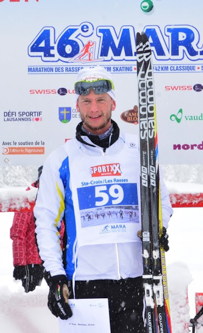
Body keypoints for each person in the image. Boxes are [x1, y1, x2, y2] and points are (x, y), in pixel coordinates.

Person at [33, 66, 173, 333]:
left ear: (113, 103)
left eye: (100, 100)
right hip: (86, 284)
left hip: (137, 280)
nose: (94, 108)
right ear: (77, 106)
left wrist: (158, 228)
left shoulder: (139, 152)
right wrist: (55, 276)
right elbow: (46, 221)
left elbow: (161, 203)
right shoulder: (61, 159)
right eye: (86, 101)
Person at [10, 166, 45, 293]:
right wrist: (20, 264)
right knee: (32, 299)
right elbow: (17, 232)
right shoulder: (28, 198)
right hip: (32, 262)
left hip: (52, 260)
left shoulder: (57, 195)